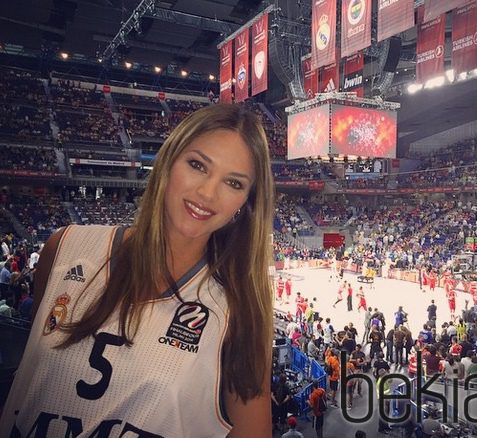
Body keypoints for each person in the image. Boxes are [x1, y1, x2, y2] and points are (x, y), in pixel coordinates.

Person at [0, 105, 275, 437]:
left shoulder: (240, 312)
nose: (207, 193)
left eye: (233, 182)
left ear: (245, 203)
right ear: (169, 161)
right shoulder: (65, 248)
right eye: (197, 165)